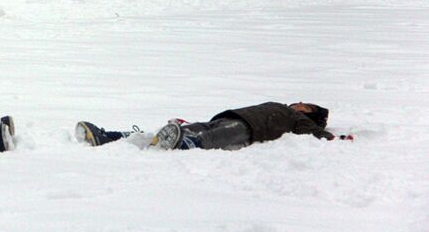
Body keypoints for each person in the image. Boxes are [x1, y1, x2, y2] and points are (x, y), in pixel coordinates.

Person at [76, 101, 352, 152]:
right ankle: (110, 137)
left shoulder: (298, 120)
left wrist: (330, 138)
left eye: (308, 106)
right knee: (197, 127)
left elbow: (316, 133)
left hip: (249, 130)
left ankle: (185, 143)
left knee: (210, 137)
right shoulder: (282, 105)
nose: (301, 103)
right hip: (232, 117)